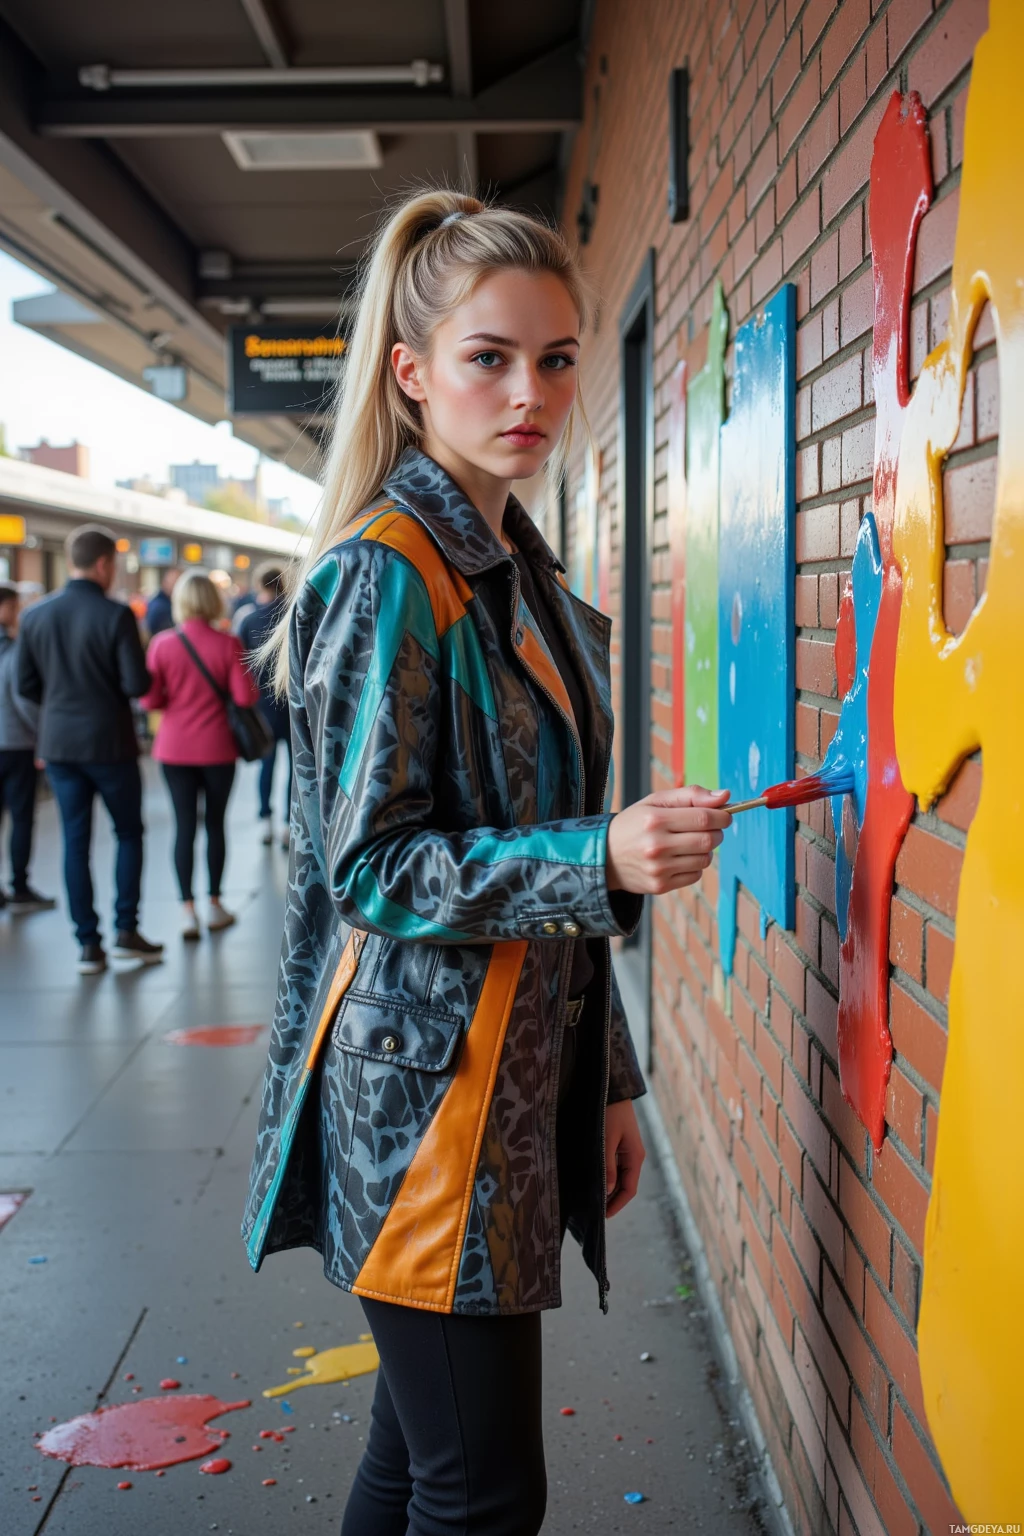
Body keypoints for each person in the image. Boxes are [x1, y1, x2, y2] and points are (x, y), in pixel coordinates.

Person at [241, 189, 733, 1536]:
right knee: (479, 1489)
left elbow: (558, 883)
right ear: (412, 374)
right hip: (427, 1118)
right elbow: (374, 871)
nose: (532, 391)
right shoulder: (388, 573)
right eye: (491, 357)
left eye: (559, 358)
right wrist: (605, 854)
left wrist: (610, 1081)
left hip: (502, 1092)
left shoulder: (522, 575)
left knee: (424, 1466)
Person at [17, 525, 163, 975]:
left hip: (59, 745)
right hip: (109, 744)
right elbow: (136, 684)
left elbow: (24, 684)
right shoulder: (115, 615)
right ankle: (126, 931)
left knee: (74, 841)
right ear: (103, 564)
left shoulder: (35, 616)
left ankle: (87, 944)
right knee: (127, 834)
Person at [140, 570, 259, 939]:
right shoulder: (228, 643)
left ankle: (186, 911)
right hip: (217, 749)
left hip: (173, 749)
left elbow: (149, 700)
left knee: (183, 826)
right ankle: (214, 904)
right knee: (215, 825)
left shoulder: (161, 644)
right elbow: (245, 698)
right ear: (213, 601)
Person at [0, 584, 55, 912]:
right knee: (21, 817)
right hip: (14, 743)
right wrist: (42, 736)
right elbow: (23, 696)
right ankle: (19, 886)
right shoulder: (12, 650)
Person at [237, 562, 292, 846]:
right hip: (295, 705)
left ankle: (265, 820)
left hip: (263, 706)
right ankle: (289, 824)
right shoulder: (296, 614)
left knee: (267, 765)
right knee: (297, 769)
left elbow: (241, 665)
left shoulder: (249, 620)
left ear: (261, 586)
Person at [145, 567, 179, 638]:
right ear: (165, 583)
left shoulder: (158, 601)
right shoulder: (161, 607)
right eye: (175, 583)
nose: (178, 587)